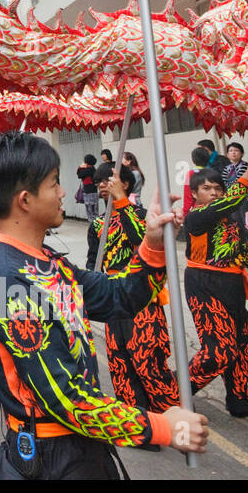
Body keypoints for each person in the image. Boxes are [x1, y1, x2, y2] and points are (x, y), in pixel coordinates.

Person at [0, 131, 208, 479]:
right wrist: (162, 428)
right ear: (25, 200)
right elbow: (66, 399)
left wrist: (153, 240)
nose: (63, 192)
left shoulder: (46, 263)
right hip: (53, 458)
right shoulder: (8, 283)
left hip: (82, 448)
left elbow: (119, 296)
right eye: (54, 184)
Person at [183, 160, 248, 418]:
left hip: (233, 284)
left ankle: (239, 398)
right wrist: (247, 176)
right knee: (219, 351)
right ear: (194, 193)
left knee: (240, 345)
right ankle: (173, 391)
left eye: (218, 188)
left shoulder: (230, 217)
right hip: (205, 284)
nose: (213, 192)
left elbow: (240, 248)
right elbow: (226, 204)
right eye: (206, 188)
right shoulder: (196, 216)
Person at [87, 165, 179, 420]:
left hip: (140, 295)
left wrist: (122, 203)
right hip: (110, 295)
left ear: (124, 184)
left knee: (148, 360)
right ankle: (135, 420)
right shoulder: (97, 224)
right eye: (99, 183)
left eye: (108, 180)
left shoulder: (141, 214)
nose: (102, 186)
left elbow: (143, 240)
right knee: (119, 361)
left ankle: (171, 418)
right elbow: (93, 260)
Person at [77, 154, 98, 222]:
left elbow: (79, 175)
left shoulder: (89, 169)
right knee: (94, 211)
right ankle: (96, 225)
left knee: (90, 212)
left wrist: (80, 167)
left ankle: (94, 226)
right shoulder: (93, 169)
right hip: (93, 191)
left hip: (89, 192)